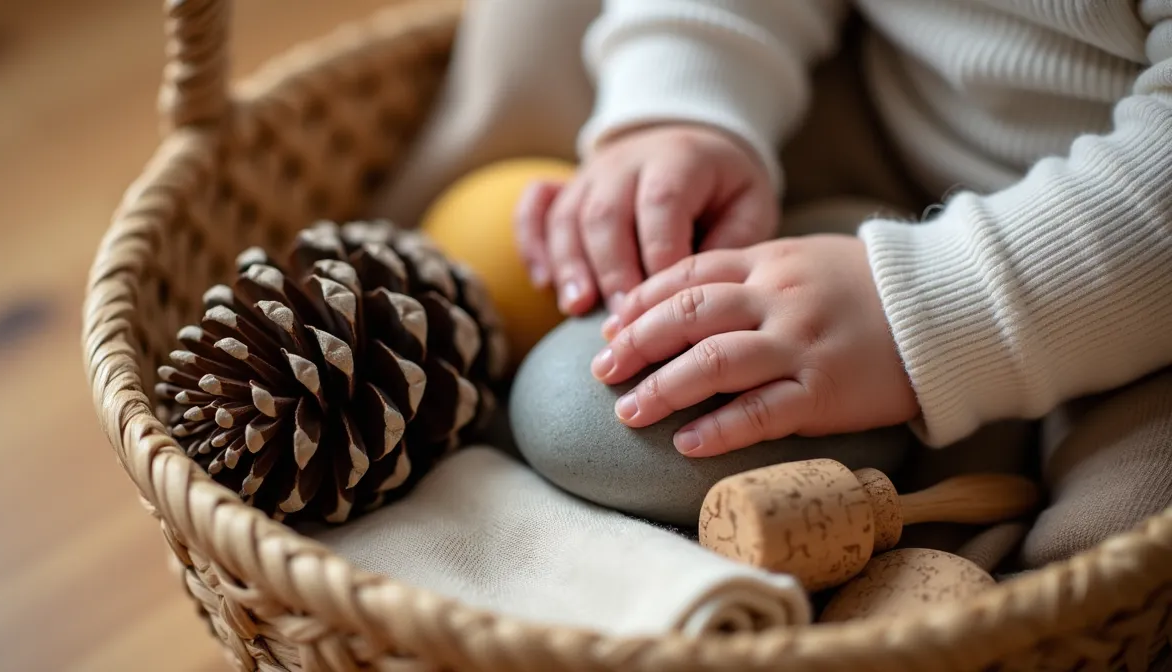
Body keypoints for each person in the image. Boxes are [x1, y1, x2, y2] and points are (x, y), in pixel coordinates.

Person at [373, 0, 1172, 567]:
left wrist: (925, 313)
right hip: (871, 93)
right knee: (540, 21)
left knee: (1128, 524)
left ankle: (967, 585)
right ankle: (382, 288)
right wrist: (679, 105)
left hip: (1114, 273)